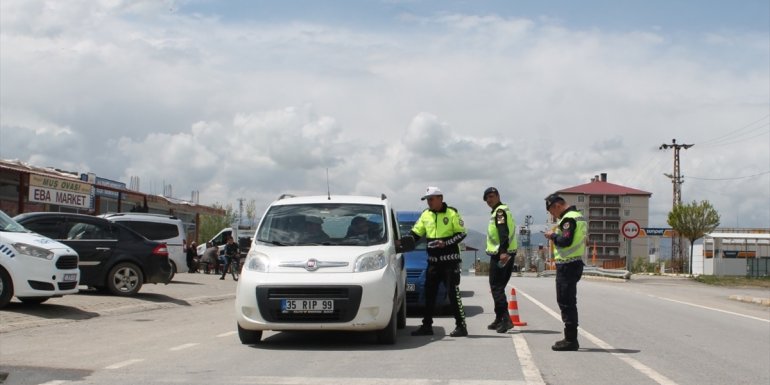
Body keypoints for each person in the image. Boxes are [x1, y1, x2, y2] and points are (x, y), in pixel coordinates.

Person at [403, 186, 468, 337]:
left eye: (431, 199)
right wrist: (404, 242)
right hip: (433, 263)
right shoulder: (426, 215)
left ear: (440, 198)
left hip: (449, 263)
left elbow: (461, 234)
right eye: (427, 200)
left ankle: (461, 326)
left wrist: (445, 243)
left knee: (453, 294)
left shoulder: (452, 213)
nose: (429, 202)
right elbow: (415, 233)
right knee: (429, 294)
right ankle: (427, 326)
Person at [543, 193, 586, 351]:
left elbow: (566, 241)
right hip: (574, 263)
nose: (553, 216)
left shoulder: (568, 219)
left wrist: (553, 236)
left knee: (566, 302)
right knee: (568, 301)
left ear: (557, 206)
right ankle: (570, 338)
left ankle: (570, 340)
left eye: (552, 212)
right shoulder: (578, 216)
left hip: (568, 265)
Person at [483, 187, 518, 333]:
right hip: (505, 252)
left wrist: (503, 251)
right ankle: (499, 318)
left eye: (491, 196)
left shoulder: (499, 212)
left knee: (496, 287)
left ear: (498, 196)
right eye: (487, 198)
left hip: (501, 254)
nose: (489, 200)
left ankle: (506, 319)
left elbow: (503, 232)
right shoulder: (501, 211)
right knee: (498, 287)